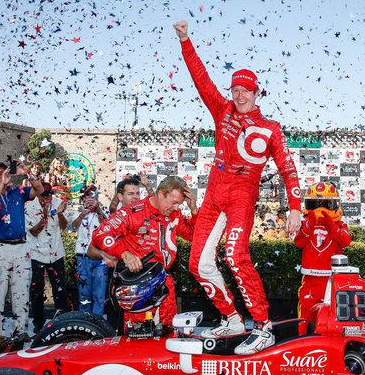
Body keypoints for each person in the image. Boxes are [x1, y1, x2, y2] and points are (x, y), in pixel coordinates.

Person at [174, 20, 302, 355]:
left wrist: (296, 209)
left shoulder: (271, 128)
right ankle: (232, 318)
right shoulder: (222, 110)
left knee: (235, 256)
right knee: (198, 264)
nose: (240, 95)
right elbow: (201, 79)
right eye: (235, 89)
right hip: (214, 196)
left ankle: (263, 326)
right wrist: (186, 40)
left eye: (246, 89)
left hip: (241, 198)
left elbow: (288, 169)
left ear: (257, 92)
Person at [92, 176, 198, 333]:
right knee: (139, 337)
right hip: (137, 287)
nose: (176, 207)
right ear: (160, 194)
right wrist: (124, 253)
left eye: (179, 204)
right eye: (173, 202)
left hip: (164, 284)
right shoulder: (133, 212)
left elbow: (192, 235)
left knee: (167, 333)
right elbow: (99, 234)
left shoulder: (174, 214)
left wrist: (194, 210)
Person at [0, 161, 43, 348]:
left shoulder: (18, 192)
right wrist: (2, 183)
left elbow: (39, 190)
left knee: (21, 290)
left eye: (4, 172)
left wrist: (28, 173)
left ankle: (20, 330)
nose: (2, 174)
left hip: (21, 247)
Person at [295, 182, 351, 324]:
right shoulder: (305, 224)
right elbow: (299, 242)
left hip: (331, 277)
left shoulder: (340, 225)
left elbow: (345, 241)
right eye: (314, 204)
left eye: (325, 204)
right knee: (306, 310)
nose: (320, 209)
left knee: (331, 311)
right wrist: (309, 225)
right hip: (310, 277)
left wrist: (330, 225)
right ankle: (303, 334)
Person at [25, 182, 69, 333]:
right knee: (37, 290)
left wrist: (60, 213)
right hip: (36, 253)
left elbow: (64, 226)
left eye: (49, 194)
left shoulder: (57, 202)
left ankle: (62, 322)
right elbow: (34, 232)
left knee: (60, 288)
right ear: (38, 194)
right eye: (44, 195)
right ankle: (38, 324)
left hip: (55, 252)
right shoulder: (29, 207)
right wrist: (45, 214)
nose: (48, 197)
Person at [70, 185, 109, 317]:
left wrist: (98, 210)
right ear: (84, 198)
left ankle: (97, 322)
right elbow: (73, 227)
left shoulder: (103, 210)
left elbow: (107, 226)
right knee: (84, 295)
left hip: (100, 258)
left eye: (93, 195)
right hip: (83, 258)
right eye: (88, 196)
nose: (90, 199)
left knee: (99, 295)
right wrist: (82, 215)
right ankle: (85, 322)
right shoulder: (78, 211)